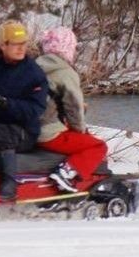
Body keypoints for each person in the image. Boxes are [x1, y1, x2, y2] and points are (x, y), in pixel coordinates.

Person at [0, 21, 48, 201]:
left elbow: (35, 108)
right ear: (2, 44)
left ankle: (9, 182)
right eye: (16, 44)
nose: (21, 48)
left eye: (24, 43)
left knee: (0, 131)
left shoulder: (33, 73)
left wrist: (6, 103)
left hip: (22, 129)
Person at [35, 26, 108, 193]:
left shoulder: (34, 67)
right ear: (68, 49)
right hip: (47, 132)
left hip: (31, 126)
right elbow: (74, 108)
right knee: (98, 146)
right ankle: (65, 173)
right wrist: (81, 131)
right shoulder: (65, 72)